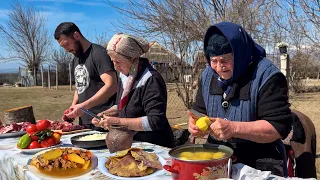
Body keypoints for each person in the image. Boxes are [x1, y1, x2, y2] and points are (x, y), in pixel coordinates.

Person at [188, 22, 292, 176]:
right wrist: (194, 124)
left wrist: (233, 128)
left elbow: (278, 126)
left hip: (259, 161)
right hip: (217, 157)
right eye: (213, 60)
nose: (218, 67)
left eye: (225, 60)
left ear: (240, 53)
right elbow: (199, 111)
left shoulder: (267, 76)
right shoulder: (207, 75)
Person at [92, 33, 175, 148]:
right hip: (133, 143)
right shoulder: (125, 75)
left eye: (118, 62)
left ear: (132, 58)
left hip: (154, 145)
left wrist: (117, 122)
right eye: (113, 61)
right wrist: (106, 114)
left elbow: (155, 120)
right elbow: (122, 106)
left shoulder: (150, 79)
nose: (115, 67)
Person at [54, 22, 117, 130]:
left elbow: (112, 85)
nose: (66, 50)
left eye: (66, 44)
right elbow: (79, 87)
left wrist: (83, 106)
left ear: (76, 36)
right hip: (85, 122)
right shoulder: (75, 59)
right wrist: (73, 107)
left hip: (103, 120)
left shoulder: (98, 53)